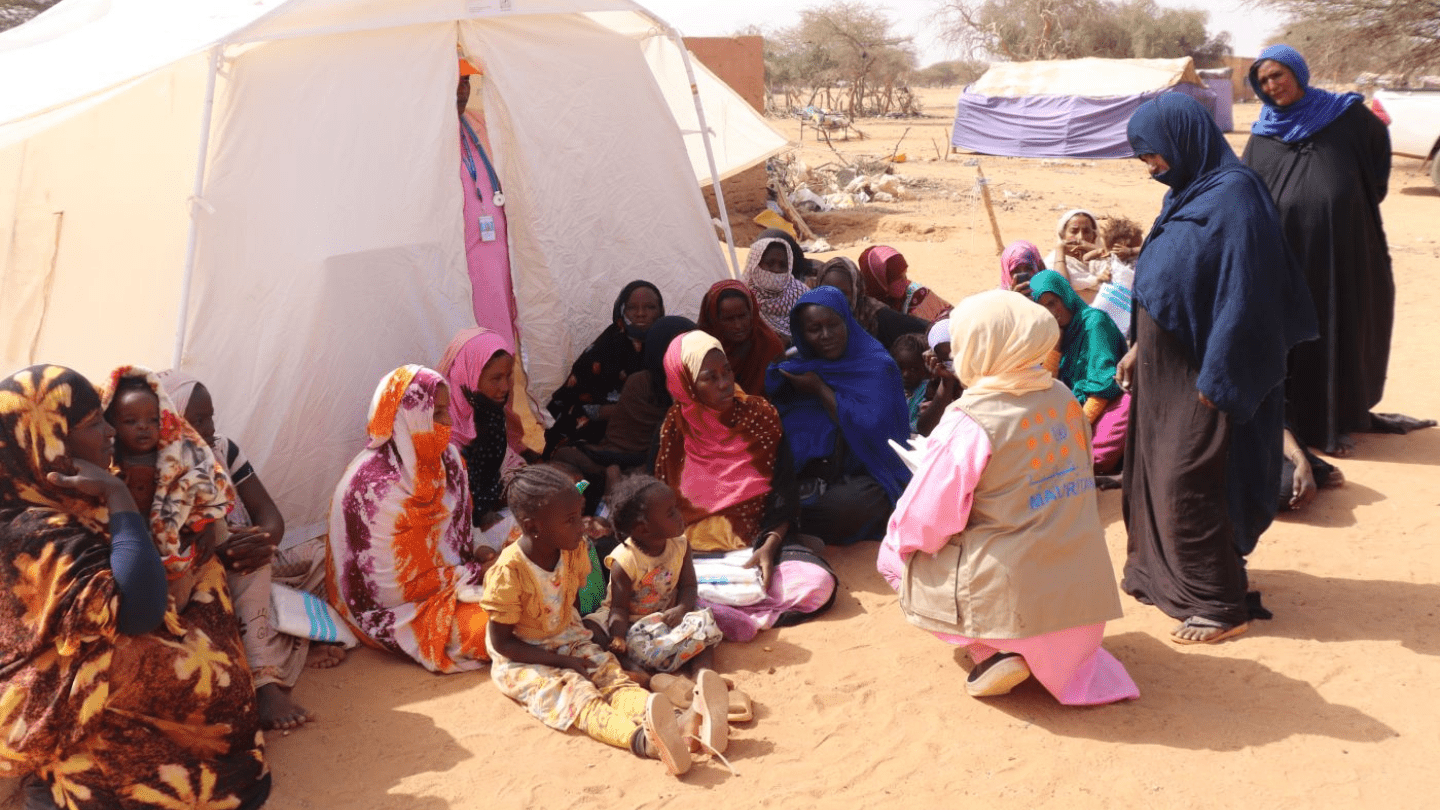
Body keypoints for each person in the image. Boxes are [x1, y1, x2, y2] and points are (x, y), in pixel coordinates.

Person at [0, 365, 270, 810]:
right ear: (49, 445)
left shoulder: (56, 498)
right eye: (92, 426)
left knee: (207, 576)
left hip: (97, 637)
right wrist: (118, 495)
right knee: (203, 686)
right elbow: (139, 611)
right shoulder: (31, 531)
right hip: (46, 687)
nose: (110, 431)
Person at [1119, 93, 1318, 644]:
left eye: (1153, 154)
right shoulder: (1188, 193)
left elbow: (1246, 296)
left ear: (1185, 139)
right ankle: (1167, 577)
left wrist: (1221, 378)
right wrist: (1140, 347)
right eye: (1143, 158)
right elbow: (1167, 286)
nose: (1150, 166)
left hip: (1205, 375)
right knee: (1156, 474)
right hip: (1165, 372)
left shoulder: (1235, 199)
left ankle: (1220, 605)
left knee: (1191, 480)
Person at [877, 293, 1138, 704]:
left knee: (894, 552)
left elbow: (923, 523)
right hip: (1081, 598)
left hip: (1013, 604)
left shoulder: (970, 420)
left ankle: (991, 651)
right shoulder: (1063, 397)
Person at [1242, 44, 1434, 455]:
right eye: (1263, 81)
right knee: (1298, 332)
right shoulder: (1263, 133)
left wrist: (1354, 200)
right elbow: (1248, 189)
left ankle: (1343, 413)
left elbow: (1377, 155)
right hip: (1289, 258)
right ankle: (1301, 422)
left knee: (1345, 322)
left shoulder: (1346, 115)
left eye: (1277, 75)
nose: (1272, 85)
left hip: (1346, 248)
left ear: (1297, 71)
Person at [481, 465, 728, 776]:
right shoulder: (509, 573)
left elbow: (577, 602)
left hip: (568, 637)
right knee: (578, 696)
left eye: (580, 516)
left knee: (613, 679)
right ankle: (644, 741)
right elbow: (503, 644)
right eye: (571, 521)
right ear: (534, 528)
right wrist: (563, 662)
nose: (582, 528)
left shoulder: (573, 550)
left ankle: (683, 720)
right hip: (524, 658)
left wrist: (589, 644)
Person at [160, 370, 338, 733]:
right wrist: (224, 552)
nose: (208, 427)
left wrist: (261, 541)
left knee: (320, 556)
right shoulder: (165, 472)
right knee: (248, 587)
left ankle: (294, 637)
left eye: (210, 416)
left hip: (248, 555)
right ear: (172, 422)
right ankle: (267, 680)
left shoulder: (223, 449)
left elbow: (269, 515)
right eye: (195, 420)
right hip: (206, 576)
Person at [655, 330, 838, 641]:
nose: (725, 383)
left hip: (757, 542)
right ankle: (721, 609)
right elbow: (663, 504)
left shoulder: (760, 416)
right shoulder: (675, 428)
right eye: (709, 378)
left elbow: (784, 491)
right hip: (695, 555)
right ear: (686, 384)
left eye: (726, 371)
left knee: (817, 583)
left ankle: (715, 613)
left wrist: (770, 545)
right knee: (650, 584)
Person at [327, 365, 494, 672]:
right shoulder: (371, 490)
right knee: (497, 627)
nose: (448, 423)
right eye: (437, 413)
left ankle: (591, 616)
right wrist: (476, 571)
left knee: (554, 548)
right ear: (408, 416)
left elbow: (461, 530)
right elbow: (387, 589)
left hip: (462, 579)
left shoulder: (448, 460)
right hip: (403, 612)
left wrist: (483, 551)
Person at [766, 287, 914, 544]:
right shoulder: (800, 369)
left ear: (847, 321)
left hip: (870, 471)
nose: (825, 336)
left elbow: (876, 429)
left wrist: (819, 389)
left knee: (847, 507)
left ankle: (791, 523)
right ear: (802, 333)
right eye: (814, 329)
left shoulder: (877, 366)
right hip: (814, 474)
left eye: (833, 325)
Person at [100, 367, 233, 601]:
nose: (143, 426)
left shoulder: (176, 454)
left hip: (176, 541)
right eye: (131, 421)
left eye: (152, 420)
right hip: (128, 541)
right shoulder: (108, 460)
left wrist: (206, 525)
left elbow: (200, 489)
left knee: (187, 590)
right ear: (111, 424)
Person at [550, 316, 697, 499]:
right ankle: (589, 497)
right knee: (570, 478)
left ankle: (608, 495)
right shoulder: (641, 382)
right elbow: (621, 435)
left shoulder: (700, 384)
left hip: (652, 467)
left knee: (646, 485)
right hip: (612, 457)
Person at [597, 475, 722, 675]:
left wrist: (682, 608)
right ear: (643, 529)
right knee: (597, 632)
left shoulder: (680, 545)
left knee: (703, 623)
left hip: (667, 617)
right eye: (671, 513)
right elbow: (618, 608)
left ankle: (704, 674)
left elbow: (689, 586)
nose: (680, 516)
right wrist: (619, 638)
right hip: (630, 623)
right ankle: (637, 671)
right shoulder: (625, 561)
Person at [544, 280, 665, 454]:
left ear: (660, 311)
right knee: (580, 476)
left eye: (650, 307)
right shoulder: (605, 349)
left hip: (647, 439)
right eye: (632, 307)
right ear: (622, 311)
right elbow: (570, 403)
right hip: (595, 434)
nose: (640, 314)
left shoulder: (665, 347)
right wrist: (614, 411)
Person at [1028, 270, 1131, 474]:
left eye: (1052, 303)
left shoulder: (1094, 324)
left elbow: (1102, 388)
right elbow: (1045, 385)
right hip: (1073, 412)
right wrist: (1056, 346)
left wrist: (1074, 429)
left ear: (1065, 295)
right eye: (1043, 309)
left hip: (1103, 406)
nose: (1052, 313)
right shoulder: (1055, 332)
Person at [438, 327, 528, 546]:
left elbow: (502, 464)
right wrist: (483, 512)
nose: (505, 387)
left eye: (508, 376)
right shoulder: (440, 428)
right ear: (467, 376)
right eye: (495, 378)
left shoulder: (488, 414)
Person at [456, 58, 520, 346]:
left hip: (494, 250)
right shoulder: (426, 134)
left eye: (466, 82)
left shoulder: (478, 122)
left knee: (499, 334)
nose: (461, 90)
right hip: (461, 253)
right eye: (454, 82)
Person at [816, 256, 929, 350]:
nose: (834, 298)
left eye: (843, 293)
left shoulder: (877, 316)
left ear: (856, 292)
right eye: (827, 290)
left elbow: (926, 329)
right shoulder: (812, 317)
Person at [698, 279, 785, 400]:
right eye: (729, 319)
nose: (738, 325)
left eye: (742, 316)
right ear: (714, 319)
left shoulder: (769, 344)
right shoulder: (701, 351)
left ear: (752, 313)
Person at [857, 245, 953, 322]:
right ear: (880, 283)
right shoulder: (863, 305)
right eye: (899, 278)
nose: (906, 281)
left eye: (905, 275)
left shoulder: (918, 296)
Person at [741, 235, 809, 343]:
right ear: (755, 264)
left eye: (783, 265)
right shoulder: (743, 296)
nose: (776, 269)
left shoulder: (801, 293)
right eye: (770, 263)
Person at [1045, 209, 1104, 291]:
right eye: (1074, 231)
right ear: (1062, 235)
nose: (1080, 237)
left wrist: (1097, 250)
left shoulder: (1103, 260)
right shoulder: (1052, 263)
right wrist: (1060, 250)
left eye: (1086, 232)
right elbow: (1063, 287)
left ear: (1094, 235)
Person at [890, 333, 930, 434]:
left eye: (913, 369)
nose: (906, 374)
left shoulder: (927, 390)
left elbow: (921, 425)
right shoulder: (888, 385)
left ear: (925, 370)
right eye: (900, 367)